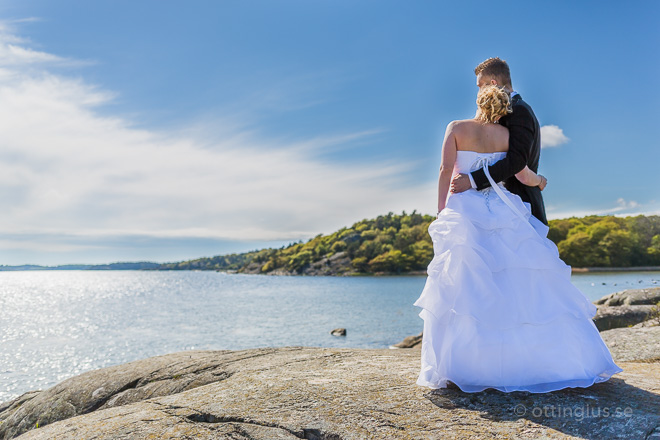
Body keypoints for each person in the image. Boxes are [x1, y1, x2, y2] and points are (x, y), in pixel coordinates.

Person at [412, 82, 622, 393]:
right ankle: (527, 362)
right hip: (504, 208)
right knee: (519, 284)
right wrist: (541, 181)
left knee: (465, 286)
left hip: (465, 210)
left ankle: (467, 365)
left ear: (478, 101)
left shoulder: (456, 127)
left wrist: (442, 212)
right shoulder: (507, 136)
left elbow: (445, 170)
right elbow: (521, 174)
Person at [450, 57, 547, 225]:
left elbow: (516, 162)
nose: (479, 92)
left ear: (493, 83)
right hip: (502, 209)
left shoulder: (518, 111)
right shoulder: (511, 110)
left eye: (480, 86)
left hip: (522, 207)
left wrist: (472, 179)